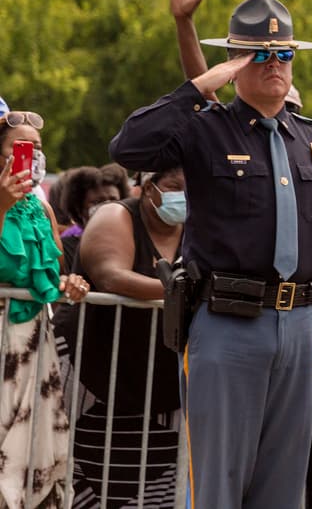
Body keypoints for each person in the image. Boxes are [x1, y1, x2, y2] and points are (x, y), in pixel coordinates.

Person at [109, 0, 312, 508]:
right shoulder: (205, 129)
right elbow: (128, 146)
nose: (275, 64)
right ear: (233, 62)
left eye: (284, 54)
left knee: (283, 485)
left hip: (300, 324)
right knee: (217, 482)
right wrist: (201, 85)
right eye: (259, 54)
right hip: (226, 320)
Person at [66, 167, 186, 508]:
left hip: (165, 392)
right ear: (148, 187)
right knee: (93, 489)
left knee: (159, 494)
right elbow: (110, 276)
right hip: (98, 382)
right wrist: (188, 292)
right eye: (175, 186)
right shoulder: (115, 216)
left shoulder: (202, 226)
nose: (185, 196)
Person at [0, 109, 90, 507]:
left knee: (33, 460)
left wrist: (69, 285)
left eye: (37, 147)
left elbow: (53, 278)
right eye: (21, 147)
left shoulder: (43, 209)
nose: (32, 155)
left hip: (35, 345)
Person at [58, 165, 127, 272]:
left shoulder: (132, 244)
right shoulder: (64, 249)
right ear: (79, 209)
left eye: (114, 200)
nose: (108, 207)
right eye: (98, 202)